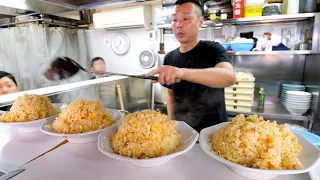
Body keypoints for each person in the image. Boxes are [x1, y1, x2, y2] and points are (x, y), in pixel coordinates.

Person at [146, 0, 236, 132]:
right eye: (174, 20)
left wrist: (181, 73)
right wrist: (172, 127)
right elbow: (171, 96)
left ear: (200, 22)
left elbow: (229, 77)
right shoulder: (170, 58)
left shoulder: (213, 49)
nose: (178, 25)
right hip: (183, 133)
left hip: (214, 133)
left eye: (185, 18)